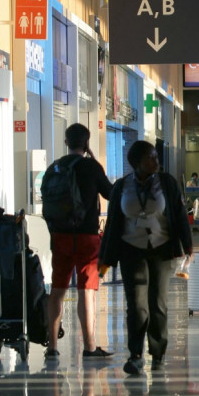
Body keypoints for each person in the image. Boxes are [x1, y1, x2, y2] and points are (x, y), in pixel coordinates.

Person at [99, 140, 193, 376]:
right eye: (150, 157)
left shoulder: (167, 183)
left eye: (156, 157)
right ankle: (136, 354)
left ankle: (158, 352)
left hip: (161, 249)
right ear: (137, 162)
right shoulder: (122, 187)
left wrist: (188, 246)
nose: (156, 161)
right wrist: (106, 257)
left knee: (158, 303)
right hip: (131, 249)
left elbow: (180, 215)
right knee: (137, 305)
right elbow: (113, 223)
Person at [44, 123, 114, 361]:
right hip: (86, 236)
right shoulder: (91, 166)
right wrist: (95, 162)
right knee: (87, 291)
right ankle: (90, 347)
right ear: (86, 143)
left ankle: (52, 347)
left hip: (60, 236)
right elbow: (111, 193)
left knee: (57, 290)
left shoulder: (54, 168)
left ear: (66, 142)